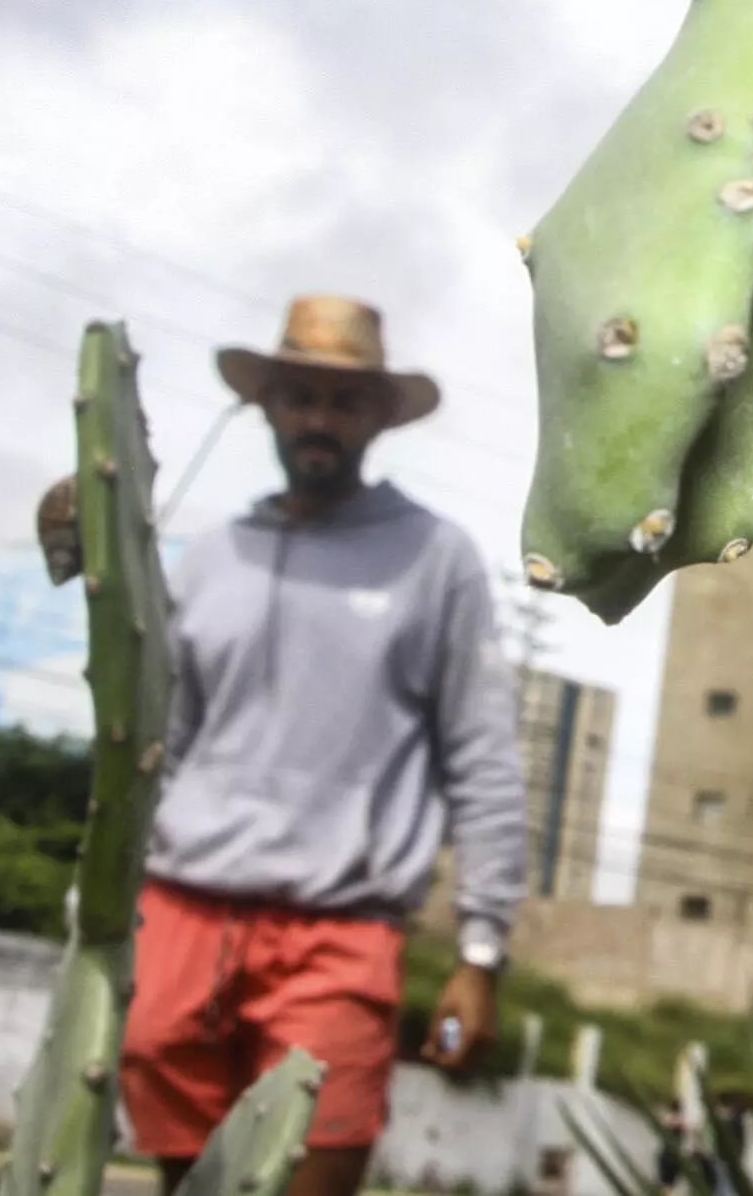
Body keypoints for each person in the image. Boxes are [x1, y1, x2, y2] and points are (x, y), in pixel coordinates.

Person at [117, 295, 528, 1196]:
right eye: (300, 395)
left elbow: (484, 758)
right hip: (180, 909)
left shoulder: (433, 556)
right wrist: (108, 900)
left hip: (337, 929)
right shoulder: (212, 555)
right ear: (266, 405)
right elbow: (161, 744)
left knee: (311, 1165)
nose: (318, 418)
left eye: (343, 401)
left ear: (380, 417)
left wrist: (480, 951)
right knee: (188, 1181)